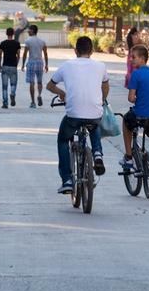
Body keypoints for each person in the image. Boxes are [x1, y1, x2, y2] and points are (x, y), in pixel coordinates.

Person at [46, 35, 109, 194]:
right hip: (94, 112)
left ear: (75, 51)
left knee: (62, 139)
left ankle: (67, 179)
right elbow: (105, 87)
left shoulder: (66, 65)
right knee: (95, 123)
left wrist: (62, 94)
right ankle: (97, 153)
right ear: (92, 51)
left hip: (73, 115)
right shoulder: (101, 66)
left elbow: (50, 86)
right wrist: (101, 100)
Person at [122, 43, 149, 183]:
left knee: (126, 121)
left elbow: (131, 98)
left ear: (142, 58)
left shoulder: (136, 74)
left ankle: (129, 157)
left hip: (141, 113)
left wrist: (137, 99)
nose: (131, 60)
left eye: (133, 57)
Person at [21, 24, 48, 107]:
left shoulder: (28, 41)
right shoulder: (42, 41)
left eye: (29, 30)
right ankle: (39, 95)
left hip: (31, 62)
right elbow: (45, 54)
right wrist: (47, 64)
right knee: (39, 81)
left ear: (32, 31)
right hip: (40, 62)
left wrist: (22, 64)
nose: (28, 31)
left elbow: (25, 53)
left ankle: (33, 102)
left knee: (32, 82)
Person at [0, 27, 21, 108]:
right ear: (13, 34)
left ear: (6, 33)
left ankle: (5, 103)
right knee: (13, 84)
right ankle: (12, 94)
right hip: (13, 66)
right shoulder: (17, 43)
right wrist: (17, 64)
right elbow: (18, 55)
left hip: (5, 66)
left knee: (4, 86)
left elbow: (0, 55)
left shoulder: (3, 43)